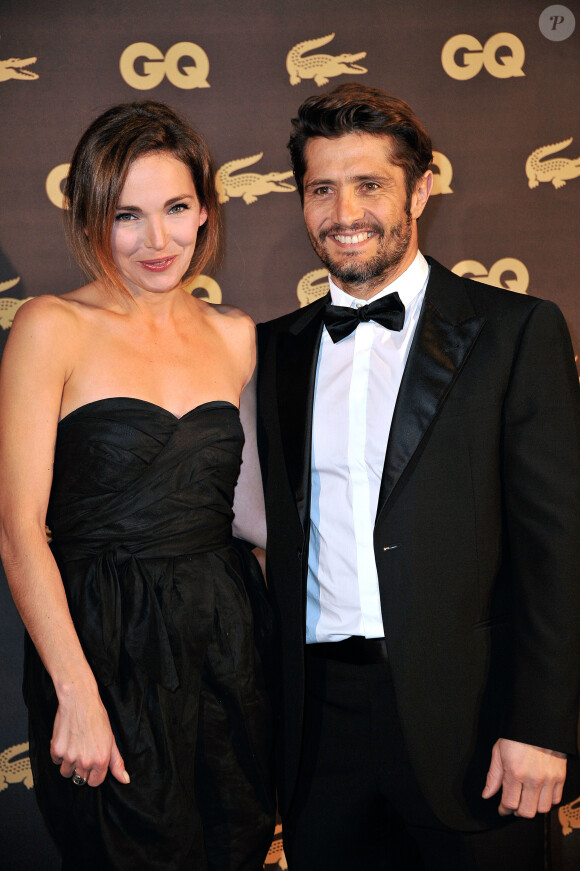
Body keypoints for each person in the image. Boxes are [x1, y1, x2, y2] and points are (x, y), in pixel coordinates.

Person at [256, 83, 580, 871]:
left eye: (369, 184)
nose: (344, 211)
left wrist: (541, 724)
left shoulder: (516, 332)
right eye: (321, 188)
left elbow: (558, 549)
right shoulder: (269, 354)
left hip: (476, 727)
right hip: (318, 732)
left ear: (422, 187)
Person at [0, 101, 274, 871]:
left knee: (235, 844)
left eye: (176, 208)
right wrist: (76, 692)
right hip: (106, 644)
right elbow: (20, 527)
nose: (159, 240)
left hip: (228, 642)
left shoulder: (237, 335)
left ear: (205, 210)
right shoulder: (51, 327)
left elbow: (252, 515)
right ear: (91, 215)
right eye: (128, 215)